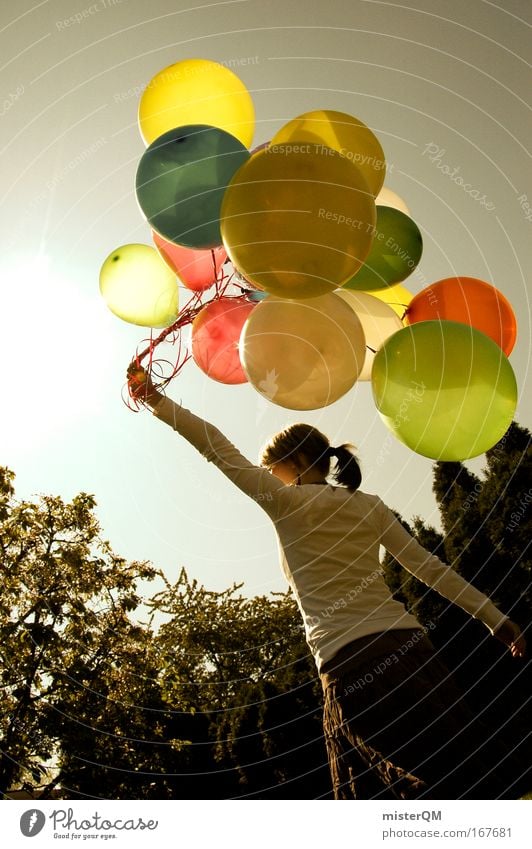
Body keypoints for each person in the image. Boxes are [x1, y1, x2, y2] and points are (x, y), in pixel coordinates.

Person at [128, 367, 528, 800]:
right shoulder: (370, 506)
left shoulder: (283, 502)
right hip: (413, 654)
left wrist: (155, 398)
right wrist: (496, 619)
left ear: (296, 463)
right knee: (468, 777)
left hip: (351, 667)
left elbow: (216, 447)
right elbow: (430, 569)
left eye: (275, 469)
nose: (272, 476)